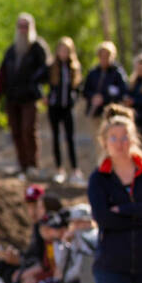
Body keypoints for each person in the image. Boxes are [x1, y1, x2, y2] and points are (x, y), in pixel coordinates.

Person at [87, 106, 142, 283]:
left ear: (134, 139)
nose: (120, 143)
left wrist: (122, 210)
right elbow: (103, 218)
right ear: (104, 142)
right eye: (113, 138)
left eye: (124, 137)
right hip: (111, 263)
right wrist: (141, 215)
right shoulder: (99, 178)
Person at [0, 13, 48, 177]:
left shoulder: (37, 48)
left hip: (29, 98)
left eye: (26, 26)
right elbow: (2, 72)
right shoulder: (12, 50)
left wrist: (35, 87)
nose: (23, 29)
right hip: (12, 97)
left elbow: (45, 70)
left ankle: (32, 164)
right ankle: (22, 164)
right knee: (16, 131)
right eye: (20, 26)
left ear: (31, 27)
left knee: (27, 130)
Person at [47, 37, 82, 183]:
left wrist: (74, 98)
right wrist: (44, 96)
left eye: (66, 50)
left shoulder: (73, 67)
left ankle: (75, 170)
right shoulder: (51, 66)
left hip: (68, 107)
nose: (63, 53)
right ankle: (59, 169)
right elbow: (37, 80)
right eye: (61, 50)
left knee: (70, 139)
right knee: (55, 138)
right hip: (54, 107)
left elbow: (79, 87)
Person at [82, 41, 127, 135]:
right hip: (96, 112)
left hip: (112, 113)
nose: (104, 59)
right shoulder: (93, 73)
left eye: (107, 56)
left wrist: (105, 98)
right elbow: (85, 91)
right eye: (101, 56)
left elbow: (123, 92)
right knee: (98, 138)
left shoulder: (117, 73)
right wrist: (93, 97)